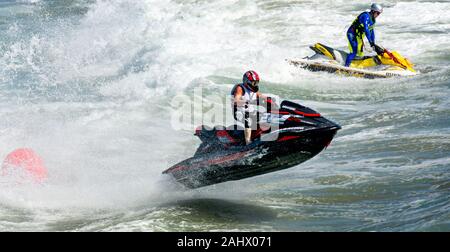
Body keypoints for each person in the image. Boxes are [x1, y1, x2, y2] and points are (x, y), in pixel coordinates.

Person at [231, 70, 273, 145]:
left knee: (264, 116)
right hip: (239, 112)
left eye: (257, 82)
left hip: (249, 110)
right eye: (254, 82)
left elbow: (260, 96)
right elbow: (235, 101)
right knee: (249, 119)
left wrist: (269, 100)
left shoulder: (253, 90)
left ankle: (263, 133)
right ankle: (248, 142)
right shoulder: (240, 88)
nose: (255, 84)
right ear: (247, 82)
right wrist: (244, 102)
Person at [344, 3, 385, 67]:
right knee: (354, 50)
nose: (378, 15)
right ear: (373, 11)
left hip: (359, 36)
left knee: (360, 53)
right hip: (352, 34)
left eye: (379, 13)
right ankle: (346, 67)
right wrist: (370, 42)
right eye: (378, 13)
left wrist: (373, 43)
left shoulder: (373, 20)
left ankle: (356, 64)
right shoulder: (365, 16)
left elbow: (371, 32)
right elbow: (366, 29)